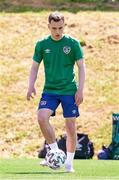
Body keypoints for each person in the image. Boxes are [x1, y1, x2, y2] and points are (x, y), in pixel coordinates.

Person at [27, 11, 85, 172]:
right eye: (54, 28)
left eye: (60, 28)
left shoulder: (73, 43)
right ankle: (54, 152)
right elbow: (34, 67)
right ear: (49, 27)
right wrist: (30, 85)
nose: (57, 31)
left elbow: (81, 67)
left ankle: (69, 164)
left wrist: (80, 89)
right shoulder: (42, 44)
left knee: (70, 125)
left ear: (64, 26)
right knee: (41, 117)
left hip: (69, 90)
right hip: (50, 90)